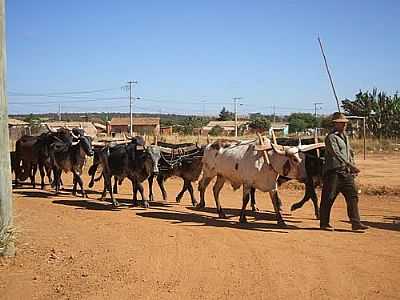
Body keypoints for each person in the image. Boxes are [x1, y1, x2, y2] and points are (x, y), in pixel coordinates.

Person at [319, 112, 369, 231]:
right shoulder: (331, 138)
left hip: (346, 173)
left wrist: (352, 167)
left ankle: (356, 222)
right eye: (342, 123)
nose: (344, 125)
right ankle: (324, 223)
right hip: (333, 173)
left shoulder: (345, 137)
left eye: (345, 123)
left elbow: (349, 153)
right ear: (335, 124)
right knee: (328, 198)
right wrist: (350, 165)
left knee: (352, 196)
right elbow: (337, 154)